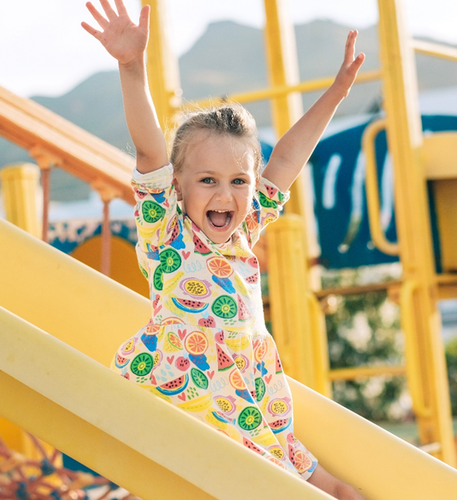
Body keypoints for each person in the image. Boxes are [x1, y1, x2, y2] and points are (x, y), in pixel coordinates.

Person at [82, 1, 366, 498]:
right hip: (189, 407)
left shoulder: (244, 233)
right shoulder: (167, 230)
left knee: (340, 492)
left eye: (239, 181)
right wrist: (132, 67)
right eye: (207, 180)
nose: (224, 195)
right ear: (179, 186)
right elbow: (150, 150)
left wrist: (337, 93)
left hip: (251, 404)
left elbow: (287, 157)